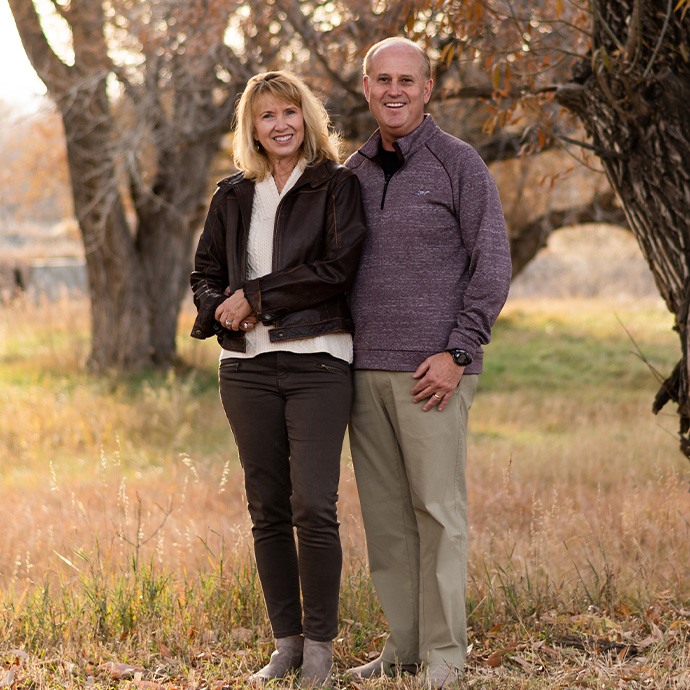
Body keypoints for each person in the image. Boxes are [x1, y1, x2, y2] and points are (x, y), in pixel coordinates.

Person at [344, 38, 512, 688]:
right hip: (363, 372)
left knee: (438, 516)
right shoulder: (350, 171)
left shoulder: (459, 165)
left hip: (434, 375)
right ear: (365, 87)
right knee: (387, 521)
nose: (394, 90)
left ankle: (445, 657)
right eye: (382, 79)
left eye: (406, 80)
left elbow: (491, 265)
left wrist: (459, 350)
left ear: (428, 88)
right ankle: (405, 649)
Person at [190, 70, 366, 687]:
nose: (281, 124)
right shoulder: (233, 194)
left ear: (308, 117)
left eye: (290, 111)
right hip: (245, 369)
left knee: (313, 506)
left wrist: (256, 297)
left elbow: (337, 268)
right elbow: (206, 272)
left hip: (319, 361)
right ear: (252, 127)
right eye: (267, 115)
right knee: (267, 508)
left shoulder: (336, 186)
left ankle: (321, 647)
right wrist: (219, 307)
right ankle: (286, 643)